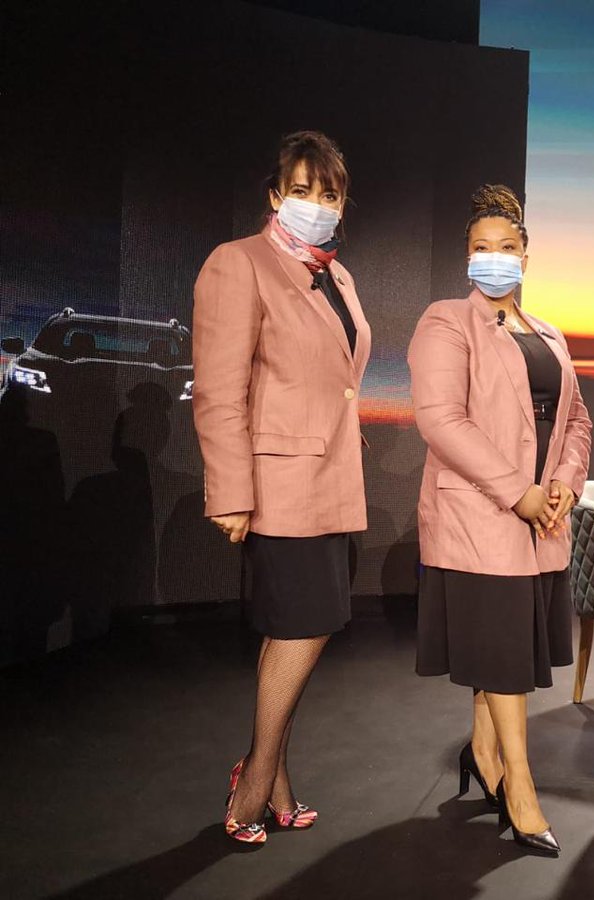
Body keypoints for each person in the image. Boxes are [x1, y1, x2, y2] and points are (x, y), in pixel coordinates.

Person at [193, 131, 371, 845]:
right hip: (280, 486)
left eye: (329, 194)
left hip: (333, 482)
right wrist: (231, 493)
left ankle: (276, 781)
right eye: (302, 190)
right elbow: (219, 390)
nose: (316, 204)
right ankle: (255, 782)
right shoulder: (238, 263)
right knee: (301, 629)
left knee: (298, 631)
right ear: (275, 195)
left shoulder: (339, 277)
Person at [409, 184, 592, 857]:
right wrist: (519, 493)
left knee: (503, 650)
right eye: (481, 247)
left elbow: (577, 419)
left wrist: (564, 482)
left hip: (542, 520)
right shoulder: (445, 322)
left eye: (506, 246)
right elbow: (441, 420)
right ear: (467, 256)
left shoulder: (549, 334)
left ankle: (483, 754)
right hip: (482, 515)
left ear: (525, 256)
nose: (494, 257)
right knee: (507, 660)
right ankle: (520, 787)